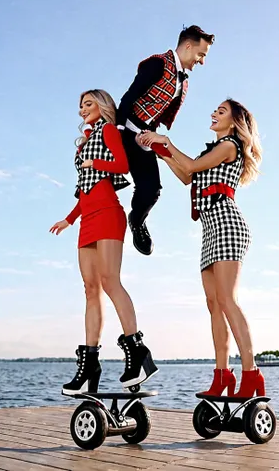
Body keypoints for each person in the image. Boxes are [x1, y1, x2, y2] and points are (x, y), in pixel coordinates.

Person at [138, 99, 265, 398]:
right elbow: (187, 176)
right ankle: (222, 376)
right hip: (210, 230)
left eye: (221, 111)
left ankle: (251, 374)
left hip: (227, 225)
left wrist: (166, 141)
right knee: (213, 305)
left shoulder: (229, 146)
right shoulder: (211, 150)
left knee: (227, 300)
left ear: (234, 122)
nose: (213, 113)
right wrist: (159, 150)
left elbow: (192, 166)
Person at [50, 89, 158, 396]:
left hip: (109, 214)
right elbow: (84, 189)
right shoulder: (85, 141)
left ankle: (137, 350)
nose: (82, 109)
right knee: (90, 290)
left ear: (102, 105)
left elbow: (122, 166)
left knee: (111, 281)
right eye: (80, 105)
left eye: (88, 103)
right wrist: (69, 219)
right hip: (87, 219)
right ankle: (90, 363)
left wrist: (95, 163)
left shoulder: (108, 130)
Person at [117, 25, 215, 256]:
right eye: (201, 55)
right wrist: (119, 131)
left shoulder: (184, 80)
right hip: (127, 129)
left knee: (151, 190)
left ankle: (137, 220)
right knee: (115, 169)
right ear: (188, 46)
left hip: (147, 136)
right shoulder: (158, 63)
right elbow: (129, 96)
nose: (202, 61)